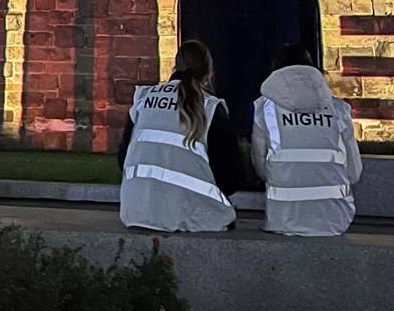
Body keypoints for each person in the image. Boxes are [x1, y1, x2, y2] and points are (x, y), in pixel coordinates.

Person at [118, 40, 240, 232]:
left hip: (136, 211)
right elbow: (230, 179)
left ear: (175, 65)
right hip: (192, 215)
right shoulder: (210, 107)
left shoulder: (144, 98)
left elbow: (122, 159)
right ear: (208, 73)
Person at [251, 45, 362, 236]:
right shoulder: (339, 109)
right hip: (336, 218)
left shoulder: (265, 108)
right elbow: (354, 172)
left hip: (283, 217)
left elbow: (261, 168)